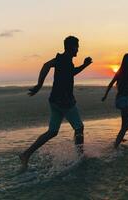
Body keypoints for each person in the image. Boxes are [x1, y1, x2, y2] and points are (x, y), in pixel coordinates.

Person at [19, 36, 92, 167]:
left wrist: (84, 65)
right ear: (71, 47)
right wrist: (39, 84)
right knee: (79, 127)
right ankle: (80, 157)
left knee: (52, 131)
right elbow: (46, 65)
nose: (78, 50)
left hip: (54, 101)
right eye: (77, 47)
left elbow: (71, 73)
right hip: (64, 101)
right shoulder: (62, 58)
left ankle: (26, 154)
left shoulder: (66, 61)